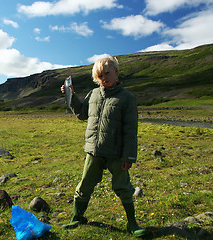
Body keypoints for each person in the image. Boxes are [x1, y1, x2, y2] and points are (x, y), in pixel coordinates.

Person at [60, 56, 147, 237]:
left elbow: (131, 130)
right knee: (84, 186)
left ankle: (132, 224)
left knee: (123, 187)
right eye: (99, 76)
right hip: (94, 151)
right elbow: (82, 114)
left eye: (106, 73)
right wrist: (72, 96)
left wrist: (129, 157)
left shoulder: (127, 98)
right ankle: (77, 217)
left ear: (116, 71)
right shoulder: (93, 95)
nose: (103, 78)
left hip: (117, 153)